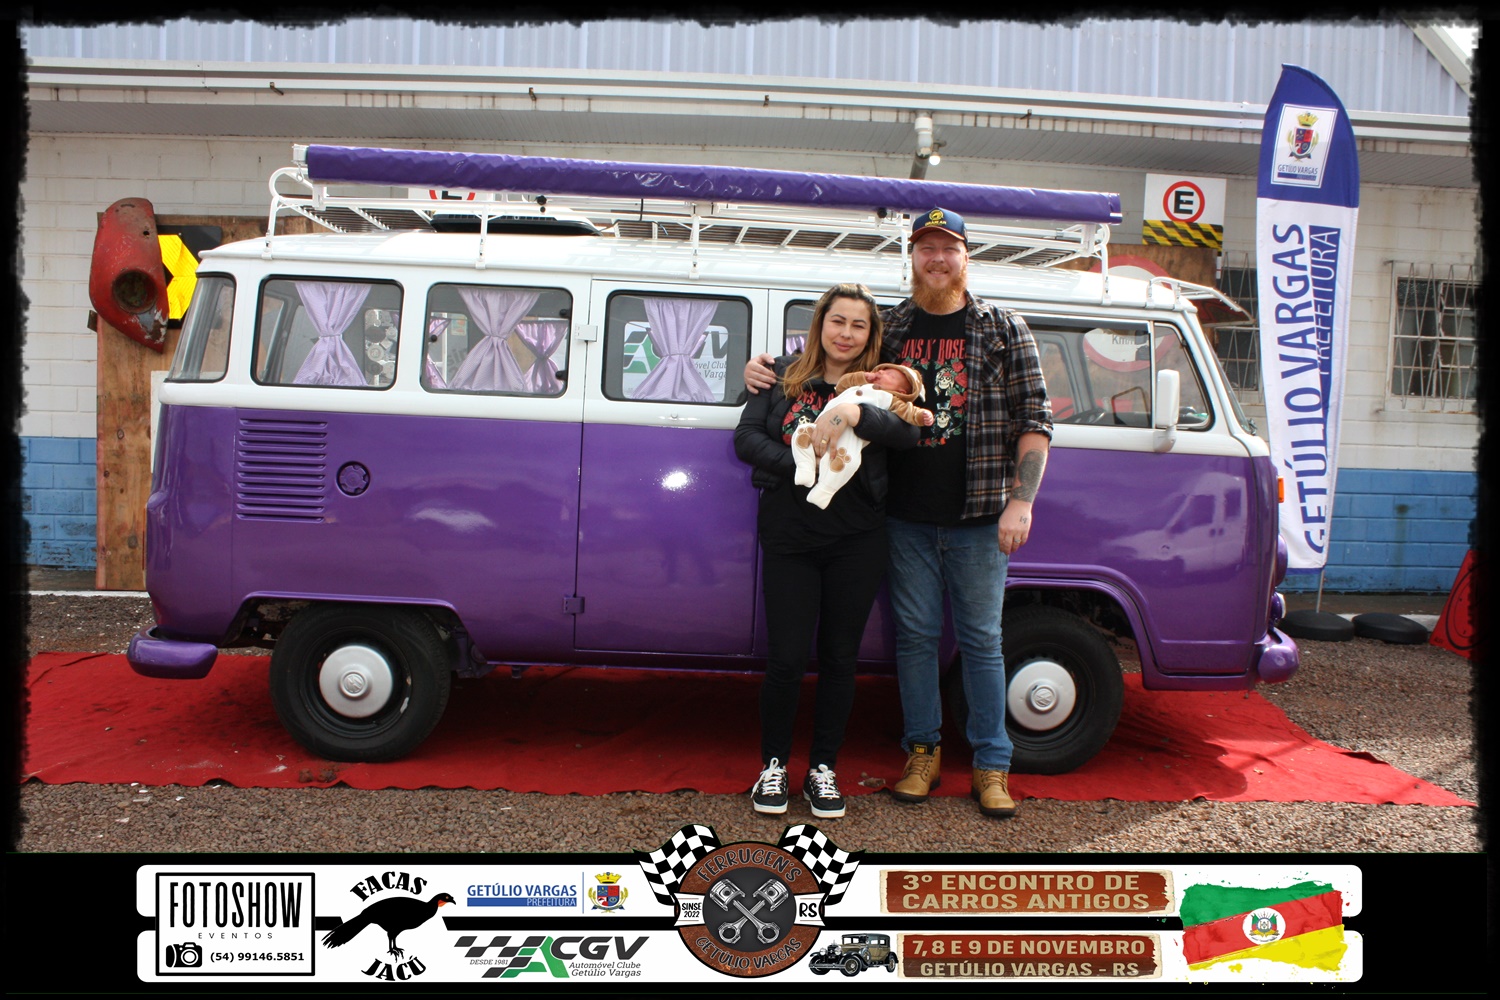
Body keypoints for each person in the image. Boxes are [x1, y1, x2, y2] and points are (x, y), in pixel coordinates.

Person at [744, 207, 1053, 819]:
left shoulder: (1002, 327)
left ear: (965, 256)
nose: (937, 259)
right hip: (902, 517)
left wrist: (1022, 501)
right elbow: (834, 365)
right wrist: (764, 368)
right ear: (912, 257)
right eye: (926, 248)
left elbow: (1035, 417)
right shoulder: (897, 326)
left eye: (948, 248)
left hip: (978, 513)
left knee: (982, 640)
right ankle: (922, 754)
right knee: (915, 640)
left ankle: (992, 765)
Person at [734, 282, 921, 819]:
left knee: (841, 659)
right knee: (787, 658)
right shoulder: (780, 376)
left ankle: (823, 769)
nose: (846, 333)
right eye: (838, 321)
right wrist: (804, 463)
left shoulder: (884, 384)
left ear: (871, 334)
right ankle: (774, 766)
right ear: (820, 324)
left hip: (857, 541)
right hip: (789, 537)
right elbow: (746, 438)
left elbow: (909, 436)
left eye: (859, 325)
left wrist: (857, 416)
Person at [792, 363, 933, 509]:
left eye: (890, 375)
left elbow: (908, 413)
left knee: (847, 460)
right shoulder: (859, 386)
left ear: (901, 391)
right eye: (883, 370)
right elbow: (841, 385)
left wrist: (922, 415)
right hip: (819, 428)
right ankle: (804, 468)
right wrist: (863, 376)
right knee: (802, 431)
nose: (882, 373)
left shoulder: (890, 399)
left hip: (848, 437)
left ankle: (825, 490)